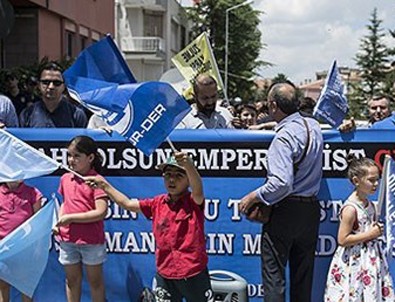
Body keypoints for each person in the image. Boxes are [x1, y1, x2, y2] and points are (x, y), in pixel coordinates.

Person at [84, 151, 213, 302]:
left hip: (193, 273)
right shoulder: (157, 203)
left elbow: (198, 189)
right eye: (168, 174)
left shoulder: (193, 202)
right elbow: (127, 204)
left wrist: (189, 166)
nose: (172, 179)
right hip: (165, 273)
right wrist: (104, 186)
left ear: (188, 179)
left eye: (179, 175)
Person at [238, 81, 323, 302]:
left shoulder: (283, 139)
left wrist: (253, 196)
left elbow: (281, 183)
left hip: (285, 211)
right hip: (310, 210)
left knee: (274, 278)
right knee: (303, 278)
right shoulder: (313, 126)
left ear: (273, 106)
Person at [324, 156, 394, 301]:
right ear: (356, 181)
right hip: (354, 261)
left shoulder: (371, 205)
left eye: (377, 179)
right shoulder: (350, 209)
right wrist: (370, 234)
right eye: (371, 180)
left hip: (371, 259)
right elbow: (342, 239)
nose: (375, 184)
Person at [54, 136, 108, 302]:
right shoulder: (65, 178)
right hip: (67, 239)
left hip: (91, 241)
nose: (71, 160)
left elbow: (101, 212)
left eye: (77, 156)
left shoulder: (97, 181)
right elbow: (65, 203)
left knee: (95, 282)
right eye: (69, 155)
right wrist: (60, 220)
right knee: (71, 280)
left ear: (90, 158)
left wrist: (71, 218)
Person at [0, 180, 43, 302]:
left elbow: (39, 222)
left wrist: (38, 247)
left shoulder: (33, 193)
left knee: (26, 286)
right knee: (2, 285)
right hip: (3, 248)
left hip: (26, 248)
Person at [19, 62, 87, 128]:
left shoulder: (77, 115)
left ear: (64, 86)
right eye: (46, 82)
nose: (51, 86)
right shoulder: (27, 114)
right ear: (39, 85)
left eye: (57, 83)